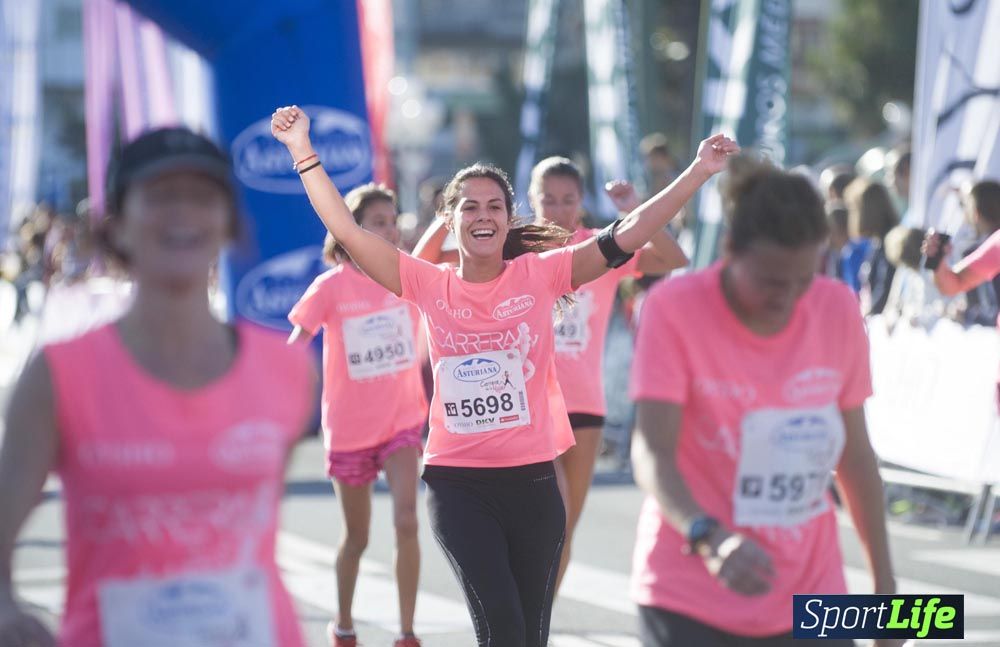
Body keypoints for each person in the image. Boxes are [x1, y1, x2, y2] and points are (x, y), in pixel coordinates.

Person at [270, 104, 738, 647]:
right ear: (451, 221)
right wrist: (302, 151)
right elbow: (346, 231)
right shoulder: (427, 282)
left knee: (530, 636)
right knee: (503, 630)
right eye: (469, 207)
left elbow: (627, 236)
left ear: (508, 220)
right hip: (458, 485)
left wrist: (699, 171)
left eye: (494, 206)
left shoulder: (542, 274)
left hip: (534, 484)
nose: (482, 215)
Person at [0, 127, 316, 646]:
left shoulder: (287, 369)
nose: (182, 212)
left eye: (202, 197)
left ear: (229, 223)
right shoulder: (57, 376)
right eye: (161, 196)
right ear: (118, 226)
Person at [629, 159, 900, 647]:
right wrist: (706, 534)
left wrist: (886, 591)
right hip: (691, 593)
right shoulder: (674, 308)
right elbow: (652, 451)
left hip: (812, 594)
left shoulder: (836, 307)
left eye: (803, 279)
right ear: (730, 250)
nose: (789, 297)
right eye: (772, 281)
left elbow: (856, 457)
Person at [286, 183, 427, 647]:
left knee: (407, 520)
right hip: (349, 429)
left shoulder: (407, 275)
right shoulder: (331, 286)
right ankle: (344, 625)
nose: (390, 230)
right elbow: (295, 347)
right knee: (357, 537)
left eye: (393, 221)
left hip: (402, 421)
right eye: (378, 222)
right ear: (353, 228)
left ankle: (407, 633)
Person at [845, 178, 899, 315]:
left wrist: (867, 315)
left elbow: (884, 289)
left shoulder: (890, 243)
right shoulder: (876, 243)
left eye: (855, 209)